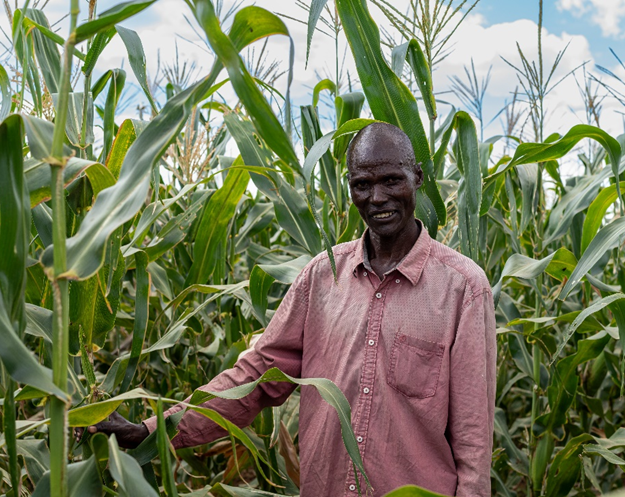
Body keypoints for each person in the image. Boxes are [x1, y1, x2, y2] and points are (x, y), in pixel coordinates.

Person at [81, 123, 497, 496]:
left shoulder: (463, 288)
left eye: (391, 180)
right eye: (361, 184)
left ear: (417, 177)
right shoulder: (321, 278)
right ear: (349, 187)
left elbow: (473, 441)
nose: (377, 198)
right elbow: (255, 378)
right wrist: (151, 431)